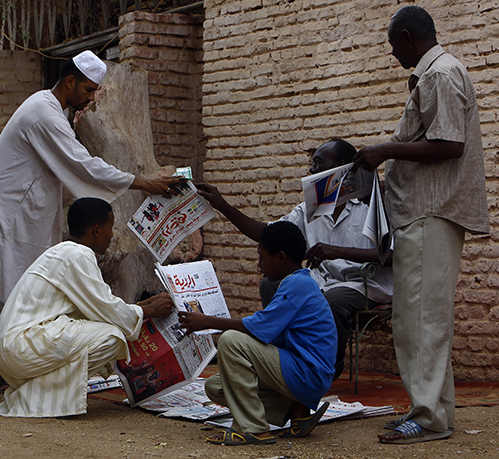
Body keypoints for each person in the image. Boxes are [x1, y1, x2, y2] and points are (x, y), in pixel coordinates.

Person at [0, 50, 181, 362]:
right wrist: (143, 182)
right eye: (88, 90)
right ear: (70, 81)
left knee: (20, 280)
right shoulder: (44, 113)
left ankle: (7, 356)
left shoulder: (54, 112)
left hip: (22, 208)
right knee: (2, 280)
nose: (90, 99)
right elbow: (82, 164)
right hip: (3, 208)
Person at [353, 6, 489, 444]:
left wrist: (385, 149)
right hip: (423, 213)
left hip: (432, 212)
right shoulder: (437, 74)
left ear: (409, 37)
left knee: (423, 320)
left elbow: (449, 144)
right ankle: (430, 411)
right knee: (418, 319)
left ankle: (429, 418)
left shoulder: (439, 74)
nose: (393, 53)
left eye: (394, 45)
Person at [196, 139, 393, 379]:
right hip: (320, 281)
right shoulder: (311, 209)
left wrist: (337, 251)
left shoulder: (371, 205)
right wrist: (222, 205)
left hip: (363, 285)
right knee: (270, 283)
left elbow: (392, 255)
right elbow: (268, 233)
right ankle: (282, 355)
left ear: (341, 167)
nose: (311, 171)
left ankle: (327, 367)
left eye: (318, 163)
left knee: (333, 299)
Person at [0, 197, 174, 417]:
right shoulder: (78, 255)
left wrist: (140, 307)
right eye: (110, 227)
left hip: (13, 351)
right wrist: (149, 311)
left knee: (107, 327)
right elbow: (107, 310)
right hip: (21, 349)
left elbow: (99, 307)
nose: (112, 234)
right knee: (113, 336)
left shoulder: (63, 252)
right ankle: (40, 399)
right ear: (96, 230)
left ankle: (38, 395)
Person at [178, 221, 336, 445]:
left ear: (280, 257)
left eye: (262, 257)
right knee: (216, 387)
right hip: (300, 371)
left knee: (231, 340)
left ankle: (253, 428)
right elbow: (266, 332)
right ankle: (296, 411)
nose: (259, 265)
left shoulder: (299, 284)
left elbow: (260, 326)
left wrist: (207, 321)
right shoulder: (294, 282)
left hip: (306, 373)